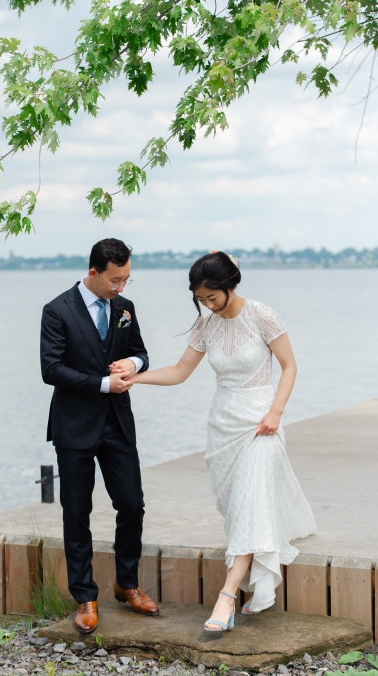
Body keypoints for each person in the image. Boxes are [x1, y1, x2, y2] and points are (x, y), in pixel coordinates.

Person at [127, 251, 316, 632]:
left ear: (231, 285)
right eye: (201, 299)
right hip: (223, 423)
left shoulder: (262, 315)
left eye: (212, 297)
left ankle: (227, 596)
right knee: (239, 507)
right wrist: (135, 379)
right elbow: (180, 372)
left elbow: (290, 366)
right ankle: (245, 584)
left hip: (261, 421)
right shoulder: (206, 325)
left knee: (248, 504)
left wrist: (276, 412)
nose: (208, 304)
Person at [39, 238, 160, 635]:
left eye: (126, 279)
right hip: (74, 425)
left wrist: (134, 362)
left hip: (118, 424)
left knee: (132, 504)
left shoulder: (125, 308)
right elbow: (51, 369)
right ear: (93, 273)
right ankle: (85, 597)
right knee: (77, 512)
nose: (120, 287)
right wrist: (105, 384)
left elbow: (142, 351)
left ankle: (127, 584)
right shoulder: (57, 310)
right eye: (114, 280)